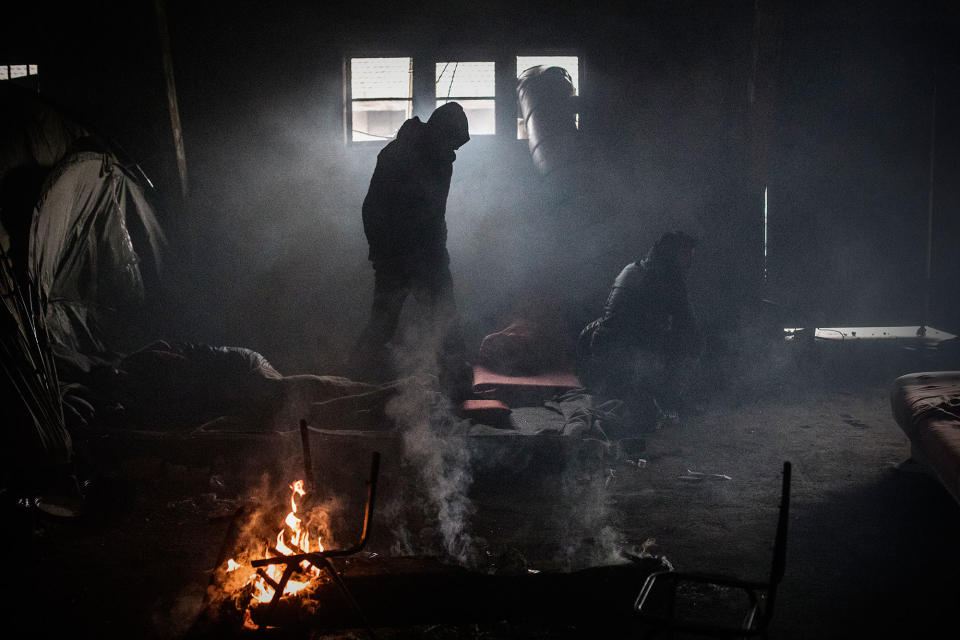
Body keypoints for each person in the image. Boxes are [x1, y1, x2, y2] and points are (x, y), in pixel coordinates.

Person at [351, 102, 470, 393]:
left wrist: (437, 249)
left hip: (428, 254)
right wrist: (383, 253)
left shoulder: (440, 156)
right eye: (453, 141)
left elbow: (433, 214)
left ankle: (452, 386)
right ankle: (356, 383)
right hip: (397, 255)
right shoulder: (398, 156)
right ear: (441, 132)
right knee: (385, 321)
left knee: (443, 317)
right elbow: (373, 209)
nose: (455, 149)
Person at [577, 231, 702, 432]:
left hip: (598, 349)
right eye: (687, 255)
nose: (690, 262)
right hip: (625, 358)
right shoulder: (668, 278)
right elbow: (689, 327)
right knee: (691, 344)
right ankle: (668, 401)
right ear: (673, 254)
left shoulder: (631, 268)